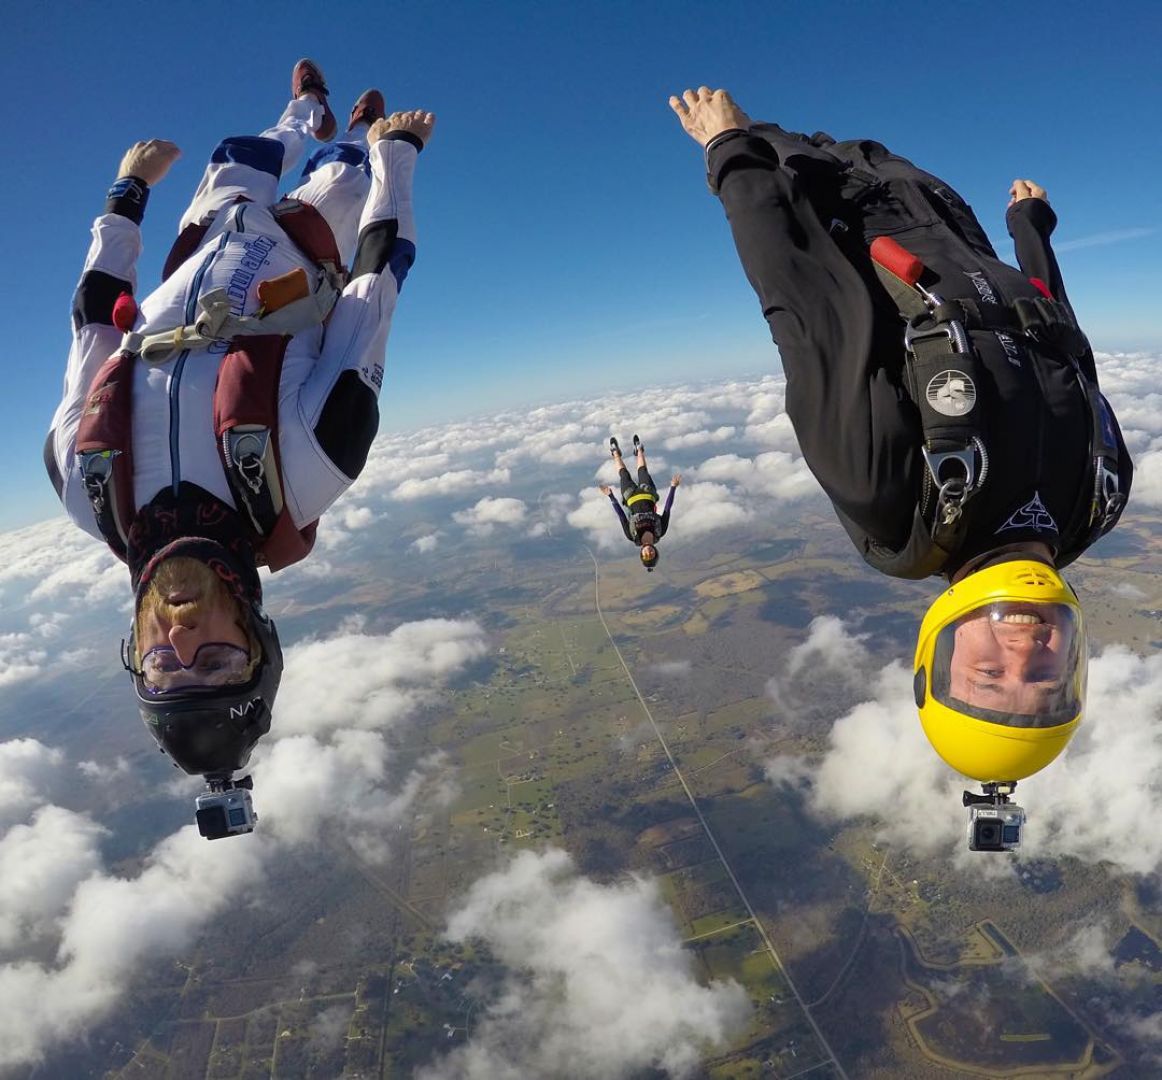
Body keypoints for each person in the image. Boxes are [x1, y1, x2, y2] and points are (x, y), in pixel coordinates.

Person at [669, 87, 1132, 789]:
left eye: (988, 674)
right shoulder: (1097, 500)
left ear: (936, 654)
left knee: (773, 112)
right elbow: (1062, 342)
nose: (1022, 651)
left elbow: (807, 313)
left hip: (839, 198)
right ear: (1075, 666)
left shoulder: (897, 508)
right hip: (944, 208)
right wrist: (1031, 229)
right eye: (1043, 677)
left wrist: (730, 153)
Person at [45, 59, 435, 800]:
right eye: (219, 662)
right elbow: (374, 284)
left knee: (243, 151)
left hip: (202, 242)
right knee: (346, 172)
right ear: (258, 634)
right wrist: (395, 155)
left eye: (163, 668)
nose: (182, 639)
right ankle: (353, 132)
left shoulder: (88, 486)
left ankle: (309, 105)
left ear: (133, 652)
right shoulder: (308, 470)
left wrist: (126, 199)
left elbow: (94, 324)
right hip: (306, 244)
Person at [600, 435, 680, 570]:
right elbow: (667, 509)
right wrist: (673, 488)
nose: (648, 552)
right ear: (655, 552)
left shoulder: (632, 535)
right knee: (642, 470)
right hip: (648, 493)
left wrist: (611, 497)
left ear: (641, 554)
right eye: (651, 555)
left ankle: (615, 453)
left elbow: (622, 517)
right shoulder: (660, 531)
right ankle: (639, 449)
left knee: (623, 474)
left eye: (646, 556)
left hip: (630, 496)